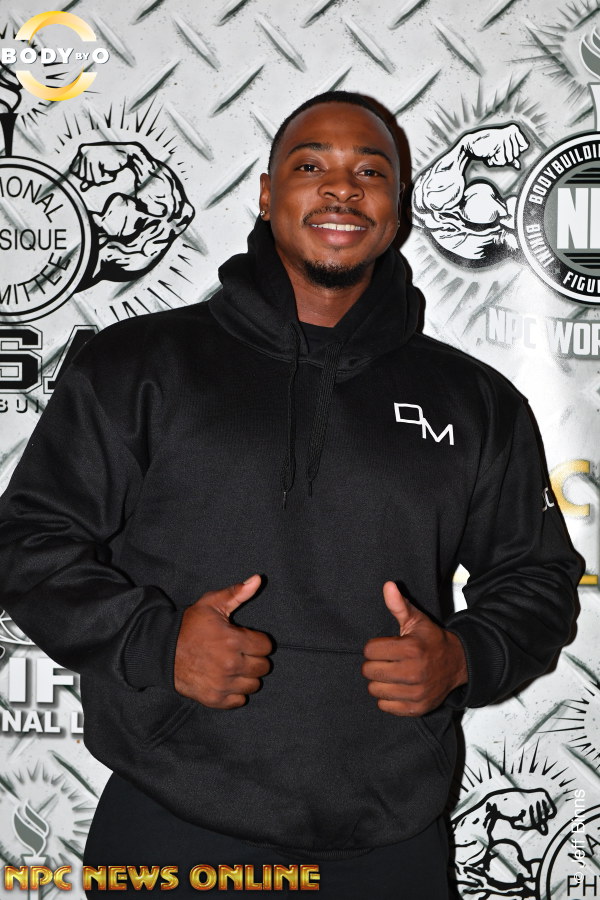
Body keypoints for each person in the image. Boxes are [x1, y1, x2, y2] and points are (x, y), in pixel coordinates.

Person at [0, 91, 582, 898]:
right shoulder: (139, 364)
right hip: (171, 827)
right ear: (268, 193)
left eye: (370, 172)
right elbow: (29, 543)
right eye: (312, 165)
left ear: (398, 207)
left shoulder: (476, 401)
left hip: (389, 843)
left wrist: (463, 657)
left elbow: (539, 581)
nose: (342, 188)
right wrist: (157, 643)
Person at [412, 123, 529, 265]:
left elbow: (426, 206)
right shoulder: (504, 228)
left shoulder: (477, 240)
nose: (504, 207)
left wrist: (466, 148)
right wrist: (467, 147)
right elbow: (426, 206)